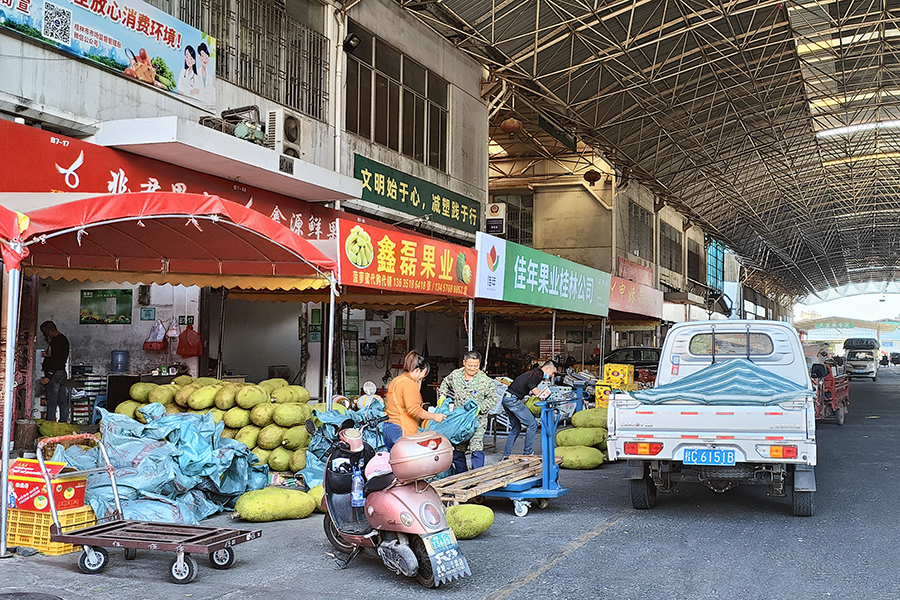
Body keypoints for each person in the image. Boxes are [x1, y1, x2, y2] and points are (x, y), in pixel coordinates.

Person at [438, 350, 497, 473]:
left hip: (477, 421)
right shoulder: (455, 375)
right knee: (458, 448)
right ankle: (462, 475)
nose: (472, 368)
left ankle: (477, 476)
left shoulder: (485, 380)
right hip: (460, 420)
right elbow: (445, 383)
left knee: (476, 447)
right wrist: (442, 395)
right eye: (470, 365)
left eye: (476, 366)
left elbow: (492, 399)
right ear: (464, 362)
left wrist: (480, 408)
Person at [383, 351, 445, 451]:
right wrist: (434, 416)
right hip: (402, 428)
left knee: (394, 459)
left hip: (389, 428)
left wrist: (418, 382)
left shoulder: (396, 380)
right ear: (417, 370)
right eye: (423, 374)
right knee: (409, 460)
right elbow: (414, 410)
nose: (422, 378)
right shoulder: (409, 383)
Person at [502, 360, 556, 459]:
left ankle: (506, 454)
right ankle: (527, 453)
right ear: (547, 368)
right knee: (532, 424)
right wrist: (541, 396)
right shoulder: (539, 374)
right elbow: (532, 386)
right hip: (513, 400)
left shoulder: (533, 372)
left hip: (507, 398)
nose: (551, 376)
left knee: (516, 428)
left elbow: (526, 385)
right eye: (552, 373)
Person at [39, 321, 70, 423]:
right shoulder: (63, 339)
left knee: (51, 401)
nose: (45, 335)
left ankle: (49, 423)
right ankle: (63, 422)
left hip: (54, 375)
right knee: (62, 400)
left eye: (45, 333)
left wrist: (48, 375)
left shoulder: (56, 341)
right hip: (61, 373)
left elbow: (55, 360)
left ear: (50, 330)